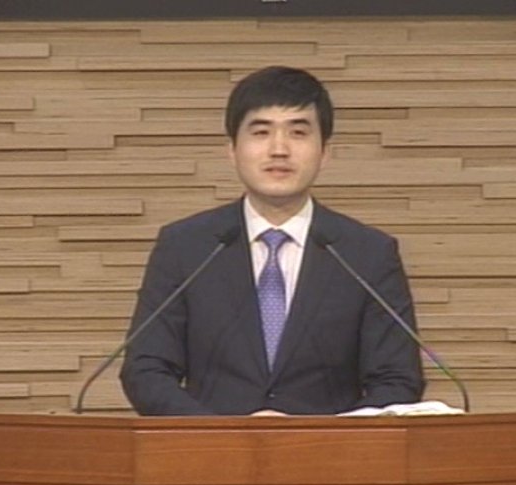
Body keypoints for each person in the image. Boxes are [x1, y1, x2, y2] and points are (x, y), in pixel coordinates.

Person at [120, 65, 425, 416]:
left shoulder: (367, 253)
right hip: (210, 447)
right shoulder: (185, 247)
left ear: (325, 151)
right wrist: (225, 435)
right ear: (232, 149)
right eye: (261, 132)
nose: (279, 149)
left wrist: (316, 438)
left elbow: (397, 379)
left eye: (298, 132)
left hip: (329, 450)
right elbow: (146, 370)